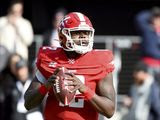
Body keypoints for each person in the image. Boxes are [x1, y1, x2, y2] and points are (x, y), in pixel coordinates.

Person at [24, 12, 116, 120]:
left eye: (86, 33)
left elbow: (110, 111)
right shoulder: (50, 59)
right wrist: (46, 86)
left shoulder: (100, 61)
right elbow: (27, 103)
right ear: (63, 36)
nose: (83, 37)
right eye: (77, 32)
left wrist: (84, 89)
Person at [135, 7, 160, 84]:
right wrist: (152, 13)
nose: (157, 20)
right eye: (156, 18)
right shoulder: (148, 30)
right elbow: (139, 18)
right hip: (148, 64)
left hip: (159, 65)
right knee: (148, 86)